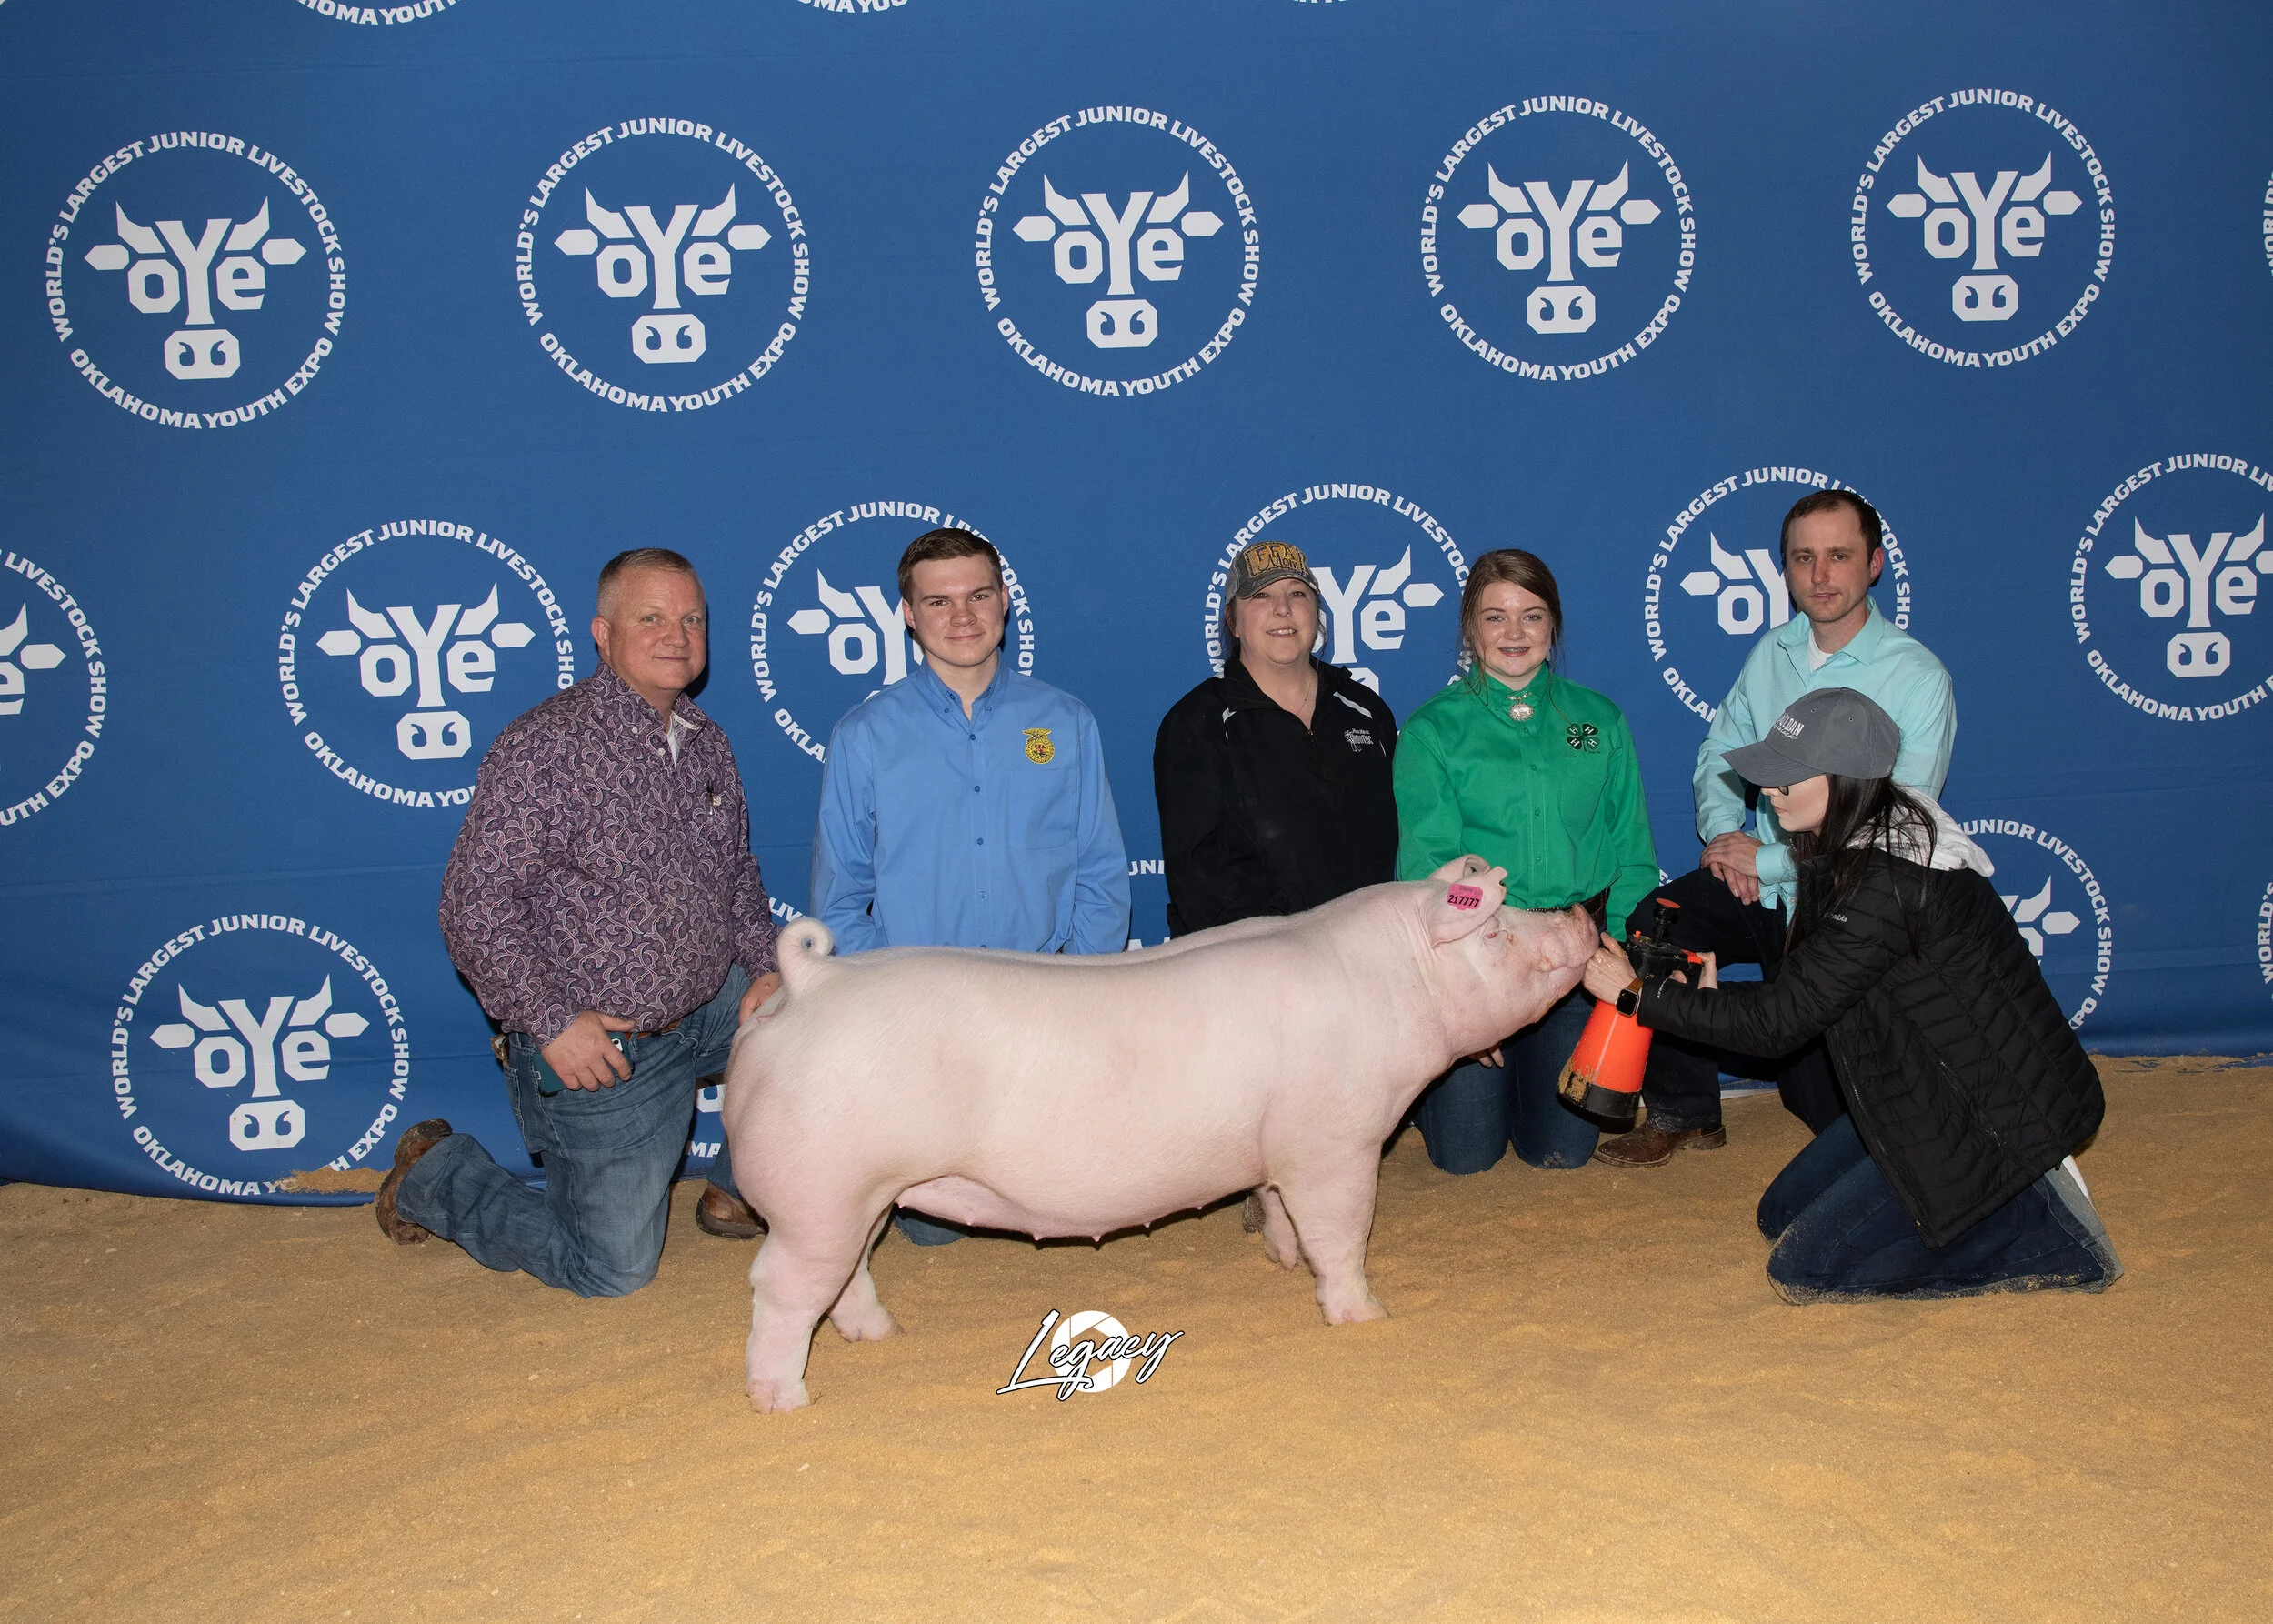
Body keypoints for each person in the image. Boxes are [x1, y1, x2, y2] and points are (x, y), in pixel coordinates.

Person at [1583, 687, 2120, 1300]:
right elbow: (1816, 988)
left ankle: (2046, 1228)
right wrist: (1705, 996)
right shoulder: (1874, 832)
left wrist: (1634, 994)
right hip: (1927, 1086)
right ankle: (2006, 1191)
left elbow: (1779, 1024)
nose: (1770, 791)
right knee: (1779, 1215)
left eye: (1790, 777)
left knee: (1806, 1271)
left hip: (1994, 1114)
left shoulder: (1885, 882)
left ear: (1846, 779)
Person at [375, 548, 782, 1296]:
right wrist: (554, 1021)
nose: (678, 635)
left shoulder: (705, 741)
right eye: (651, 618)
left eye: (692, 618)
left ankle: (738, 1184)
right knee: (612, 1268)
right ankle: (433, 1179)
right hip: (603, 1038)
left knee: (821, 1021)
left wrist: (765, 967)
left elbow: (736, 875)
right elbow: (474, 905)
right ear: (603, 632)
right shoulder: (545, 747)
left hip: (710, 1003)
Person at [1598, 489, 1956, 1168]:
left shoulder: (1918, 679)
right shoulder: (1772, 652)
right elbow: (1720, 750)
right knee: (1657, 923)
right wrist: (1724, 839)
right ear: (1785, 570)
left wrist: (1766, 861)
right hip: (1756, 885)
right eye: (1804, 558)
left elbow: (1896, 835)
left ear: (1874, 564)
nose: (1821, 576)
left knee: (1824, 1110)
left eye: (1839, 556)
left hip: (1843, 907)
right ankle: (1685, 1113)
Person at [809, 526, 1130, 1245]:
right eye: (939, 600)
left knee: (1076, 1207)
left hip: (1043, 1006)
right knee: (936, 1234)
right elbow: (839, 901)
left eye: (979, 595)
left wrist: (1076, 990)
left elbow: (1102, 872)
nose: (963, 616)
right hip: (926, 1021)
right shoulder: (864, 735)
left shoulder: (1066, 723)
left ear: (1005, 602)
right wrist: (897, 1000)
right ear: (907, 615)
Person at [1392, 549, 1657, 1174]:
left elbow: (1633, 850)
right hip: (1480, 957)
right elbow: (1426, 870)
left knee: (1559, 1152)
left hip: (1577, 954)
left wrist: (1618, 951)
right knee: (1466, 1157)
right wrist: (1461, 983)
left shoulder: (1599, 720)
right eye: (1495, 617)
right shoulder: (1432, 730)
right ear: (1469, 629)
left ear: (1553, 626)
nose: (1514, 633)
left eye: (1531, 616)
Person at [1153, 539, 1398, 938]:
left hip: (1368, 960)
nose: (1282, 609)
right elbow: (1200, 881)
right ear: (1232, 620)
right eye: (1261, 595)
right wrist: (1300, 950)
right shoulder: (1197, 723)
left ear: (1316, 612)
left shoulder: (1366, 710)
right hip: (1251, 972)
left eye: (1297, 593)